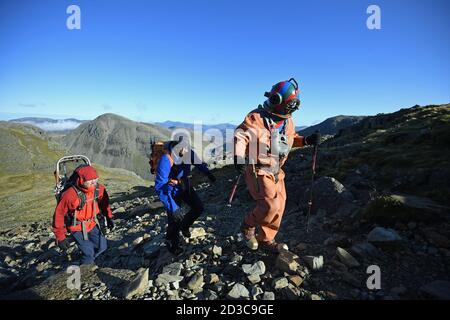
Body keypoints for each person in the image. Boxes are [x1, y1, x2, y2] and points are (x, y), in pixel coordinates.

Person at [234, 78, 320, 253]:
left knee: (280, 204)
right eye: (291, 105)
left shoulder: (288, 121)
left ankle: (266, 239)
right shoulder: (256, 117)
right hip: (258, 168)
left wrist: (305, 140)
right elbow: (241, 135)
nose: (292, 109)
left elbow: (289, 140)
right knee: (269, 205)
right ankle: (247, 225)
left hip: (276, 169)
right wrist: (238, 156)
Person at [154, 139, 216, 255]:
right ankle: (172, 244)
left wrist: (208, 173)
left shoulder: (187, 152)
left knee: (198, 207)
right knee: (174, 218)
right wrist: (173, 208)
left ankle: (185, 226)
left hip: (183, 185)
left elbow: (198, 163)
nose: (186, 154)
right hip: (170, 191)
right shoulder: (165, 159)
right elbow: (160, 187)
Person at [52, 165, 114, 264]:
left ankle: (93, 262)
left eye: (95, 179)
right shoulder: (70, 195)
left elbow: (104, 203)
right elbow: (59, 215)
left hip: (93, 223)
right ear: (81, 180)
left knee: (102, 247)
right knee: (88, 252)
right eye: (91, 181)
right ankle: (86, 272)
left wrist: (109, 217)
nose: (94, 183)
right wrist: (60, 237)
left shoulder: (99, 189)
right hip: (77, 227)